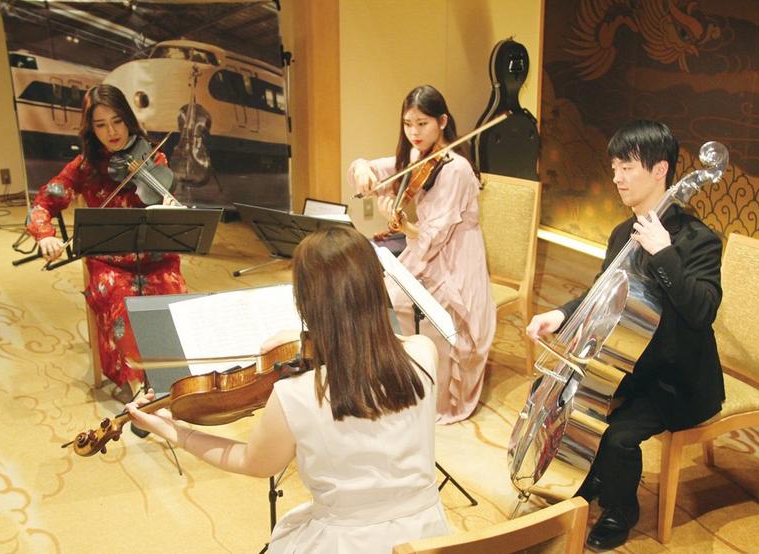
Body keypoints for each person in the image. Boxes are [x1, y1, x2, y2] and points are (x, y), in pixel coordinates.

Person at [126, 225, 450, 552]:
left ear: (306, 304)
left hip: (347, 543)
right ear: (376, 287)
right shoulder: (425, 352)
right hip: (426, 535)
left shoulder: (295, 396)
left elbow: (251, 461)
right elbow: (372, 351)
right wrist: (315, 344)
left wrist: (173, 430)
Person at [526, 120, 725, 550]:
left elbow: (701, 312)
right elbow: (601, 295)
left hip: (677, 379)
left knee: (617, 434)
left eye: (627, 167)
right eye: (614, 167)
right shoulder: (622, 233)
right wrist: (560, 315)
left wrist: (664, 252)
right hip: (627, 362)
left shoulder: (699, 240)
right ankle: (590, 475)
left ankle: (620, 510)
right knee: (565, 396)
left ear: (660, 170)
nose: (616, 177)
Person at [25, 84, 186, 401]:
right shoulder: (85, 167)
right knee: (120, 297)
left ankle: (172, 376)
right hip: (110, 263)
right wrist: (45, 236)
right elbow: (42, 204)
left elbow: (163, 199)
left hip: (157, 258)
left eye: (117, 121)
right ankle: (138, 388)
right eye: (100, 125)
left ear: (128, 119)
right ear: (91, 129)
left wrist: (169, 207)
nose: (111, 132)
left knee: (173, 297)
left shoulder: (153, 157)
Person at [348, 84, 496, 424]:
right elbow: (371, 167)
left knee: (425, 309)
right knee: (391, 294)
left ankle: (438, 394)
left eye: (422, 124)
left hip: (455, 254)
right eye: (408, 124)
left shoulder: (456, 169)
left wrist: (401, 224)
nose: (414, 132)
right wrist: (363, 168)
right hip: (426, 246)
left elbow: (435, 233)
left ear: (442, 122)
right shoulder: (418, 156)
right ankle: (410, 377)